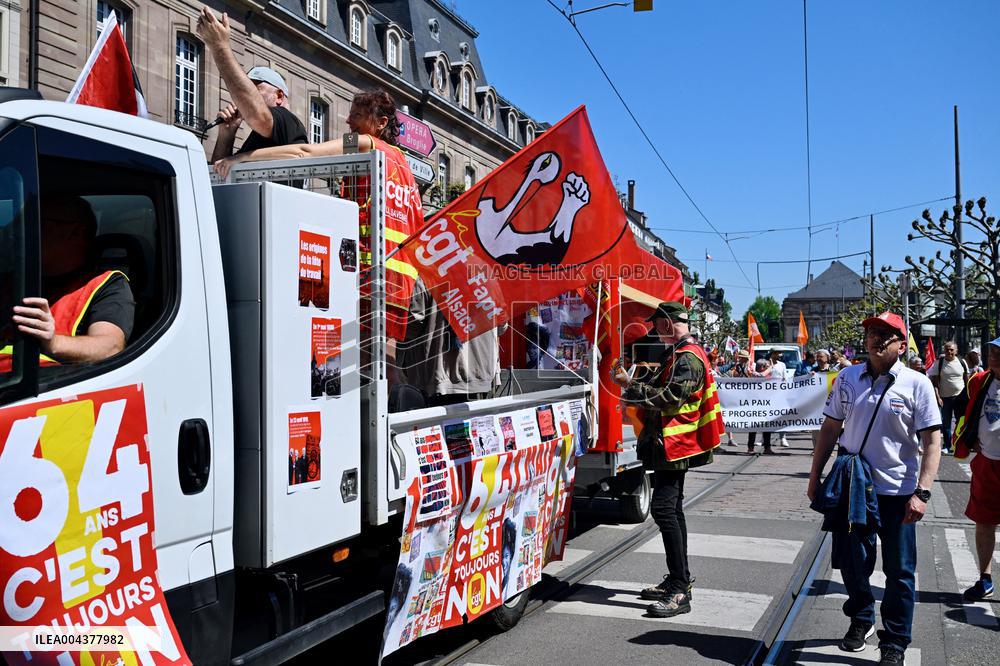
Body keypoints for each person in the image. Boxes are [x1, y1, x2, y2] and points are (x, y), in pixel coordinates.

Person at [215, 88, 423, 376]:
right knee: (384, 360)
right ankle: (395, 411)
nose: (348, 121)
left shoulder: (365, 144)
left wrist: (243, 158)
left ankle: (365, 417)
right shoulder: (401, 163)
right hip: (400, 281)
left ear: (381, 123)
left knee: (360, 363)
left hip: (369, 272)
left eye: (357, 116)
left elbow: (306, 151)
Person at [807, 311, 941, 665]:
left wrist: (922, 492)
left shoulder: (917, 384)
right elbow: (830, 429)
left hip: (899, 493)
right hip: (854, 491)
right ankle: (861, 617)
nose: (876, 338)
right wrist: (814, 476)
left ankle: (895, 641)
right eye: (871, 332)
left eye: (886, 333)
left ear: (901, 342)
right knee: (853, 563)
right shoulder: (848, 378)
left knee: (899, 571)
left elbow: (932, 442)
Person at [612, 301, 723, 618]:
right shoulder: (680, 354)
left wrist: (629, 385)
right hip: (671, 445)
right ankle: (678, 580)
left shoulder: (687, 358)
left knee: (664, 509)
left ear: (665, 324)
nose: (653, 331)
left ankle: (679, 590)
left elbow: (670, 397)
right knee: (671, 509)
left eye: (655, 325)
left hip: (677, 445)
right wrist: (635, 382)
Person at [5, 196, 134, 372]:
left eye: (34, 222)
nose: (18, 231)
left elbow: (110, 347)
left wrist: (53, 342)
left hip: (48, 389)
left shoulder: (106, 284)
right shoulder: (11, 280)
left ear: (76, 232)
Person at [196, 8, 307, 161]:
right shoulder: (257, 138)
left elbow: (258, 116)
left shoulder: (288, 120)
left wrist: (219, 46)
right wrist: (226, 135)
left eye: (254, 88)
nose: (244, 95)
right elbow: (220, 175)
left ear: (279, 96)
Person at [953, 337, 1000, 601]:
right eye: (992, 351)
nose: (993, 355)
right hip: (986, 462)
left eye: (999, 352)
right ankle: (985, 579)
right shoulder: (979, 381)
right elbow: (965, 410)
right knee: (984, 522)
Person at [927, 340, 969, 455]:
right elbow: (935, 382)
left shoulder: (962, 362)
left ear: (956, 351)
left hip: (960, 398)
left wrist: (968, 395)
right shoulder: (939, 362)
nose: (949, 352)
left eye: (952, 350)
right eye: (947, 350)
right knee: (946, 423)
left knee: (960, 422)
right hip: (945, 398)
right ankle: (947, 445)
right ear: (944, 351)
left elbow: (967, 380)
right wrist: (938, 397)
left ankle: (959, 444)